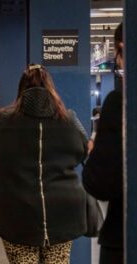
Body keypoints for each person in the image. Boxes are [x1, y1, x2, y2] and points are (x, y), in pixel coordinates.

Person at [0, 64, 88, 264]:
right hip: (62, 213)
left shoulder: (5, 119)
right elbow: (84, 148)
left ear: (21, 90)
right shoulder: (69, 119)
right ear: (50, 88)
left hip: (17, 215)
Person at [82, 23, 124, 264]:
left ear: (121, 47)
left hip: (124, 240)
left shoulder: (120, 103)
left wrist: (93, 153)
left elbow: (101, 185)